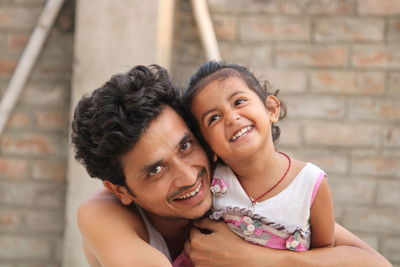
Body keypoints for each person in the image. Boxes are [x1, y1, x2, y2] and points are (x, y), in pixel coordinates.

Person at [72, 64, 392, 267]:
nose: (188, 177)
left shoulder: (238, 192)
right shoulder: (103, 214)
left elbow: (373, 264)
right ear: (119, 189)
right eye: (156, 170)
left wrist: (255, 258)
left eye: (185, 146)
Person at [182, 61, 334, 252]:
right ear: (207, 145)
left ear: (271, 109)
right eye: (213, 118)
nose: (231, 118)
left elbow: (325, 255)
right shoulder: (210, 182)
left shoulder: (311, 183)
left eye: (239, 102)